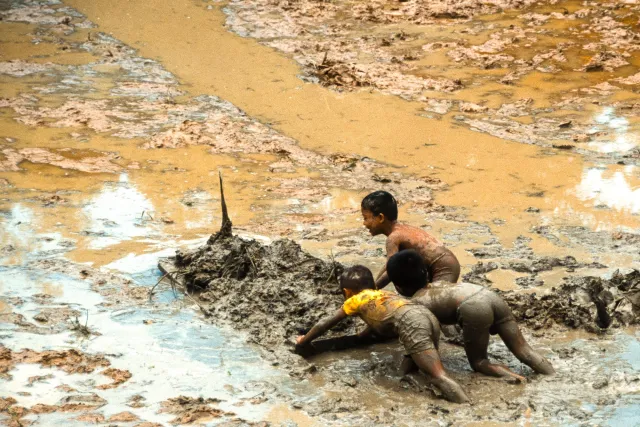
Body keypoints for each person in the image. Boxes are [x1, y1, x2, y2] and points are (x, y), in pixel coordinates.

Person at [295, 265, 470, 403]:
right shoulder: (384, 294)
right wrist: (361, 337)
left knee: (438, 375)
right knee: (407, 369)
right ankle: (411, 378)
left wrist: (305, 340)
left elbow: (325, 323)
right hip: (426, 316)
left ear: (347, 292)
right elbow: (380, 319)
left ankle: (465, 407)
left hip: (413, 323)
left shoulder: (355, 300)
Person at [386, 250, 555, 382]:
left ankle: (516, 379)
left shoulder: (417, 302)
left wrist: (399, 372)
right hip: (488, 295)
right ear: (426, 273)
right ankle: (551, 375)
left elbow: (418, 340)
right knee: (523, 349)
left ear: (399, 287)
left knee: (480, 363)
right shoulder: (441, 284)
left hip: (473, 308)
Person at [361, 191, 460, 289]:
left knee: (434, 300)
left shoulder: (393, 238)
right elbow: (389, 266)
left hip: (444, 268)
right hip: (449, 262)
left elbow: (391, 272)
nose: (364, 223)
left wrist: (374, 289)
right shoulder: (402, 229)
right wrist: (374, 285)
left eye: (365, 218)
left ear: (380, 218)